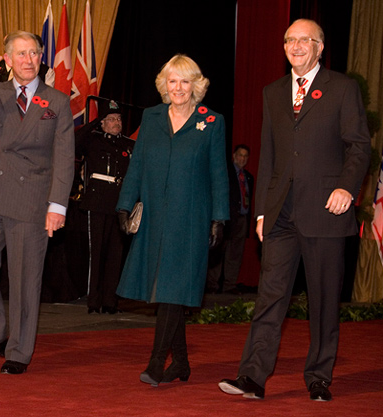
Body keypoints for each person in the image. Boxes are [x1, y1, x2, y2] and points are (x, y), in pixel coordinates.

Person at [218, 19, 371, 401]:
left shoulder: (343, 88)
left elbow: (359, 146)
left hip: (326, 211)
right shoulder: (272, 92)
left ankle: (319, 377)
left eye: (305, 40)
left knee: (323, 301)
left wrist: (346, 187)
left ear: (320, 47)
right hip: (281, 214)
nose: (297, 46)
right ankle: (252, 377)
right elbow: (268, 155)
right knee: (270, 297)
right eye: (290, 40)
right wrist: (261, 213)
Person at [0, 31, 74, 375]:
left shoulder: (57, 101)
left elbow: (64, 157)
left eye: (34, 53)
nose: (29, 60)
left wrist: (58, 206)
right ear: (8, 60)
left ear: (41, 58)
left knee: (25, 281)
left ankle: (19, 351)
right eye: (21, 54)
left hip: (32, 202)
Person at [116, 54, 229, 386]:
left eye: (185, 81)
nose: (178, 88)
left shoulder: (212, 121)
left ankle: (156, 362)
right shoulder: (151, 117)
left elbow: (219, 173)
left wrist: (219, 218)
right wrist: (124, 205)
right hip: (154, 216)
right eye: (172, 81)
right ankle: (180, 361)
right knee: (169, 290)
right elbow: (137, 164)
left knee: (170, 287)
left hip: (191, 220)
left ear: (196, 85)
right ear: (164, 84)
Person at [75, 100, 135, 314]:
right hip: (97, 202)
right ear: (102, 123)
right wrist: (94, 123)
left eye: (118, 119)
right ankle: (94, 301)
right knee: (97, 253)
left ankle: (110, 301)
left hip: (120, 204)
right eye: (111, 119)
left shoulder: (128, 145)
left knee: (115, 255)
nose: (116, 122)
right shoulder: (93, 140)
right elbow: (75, 142)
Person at [207, 144, 254, 294]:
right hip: (227, 218)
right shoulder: (226, 173)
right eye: (240, 155)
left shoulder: (248, 177)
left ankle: (229, 285)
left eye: (245, 156)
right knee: (219, 251)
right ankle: (212, 285)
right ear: (234, 156)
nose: (242, 159)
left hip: (242, 219)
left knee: (235, 254)